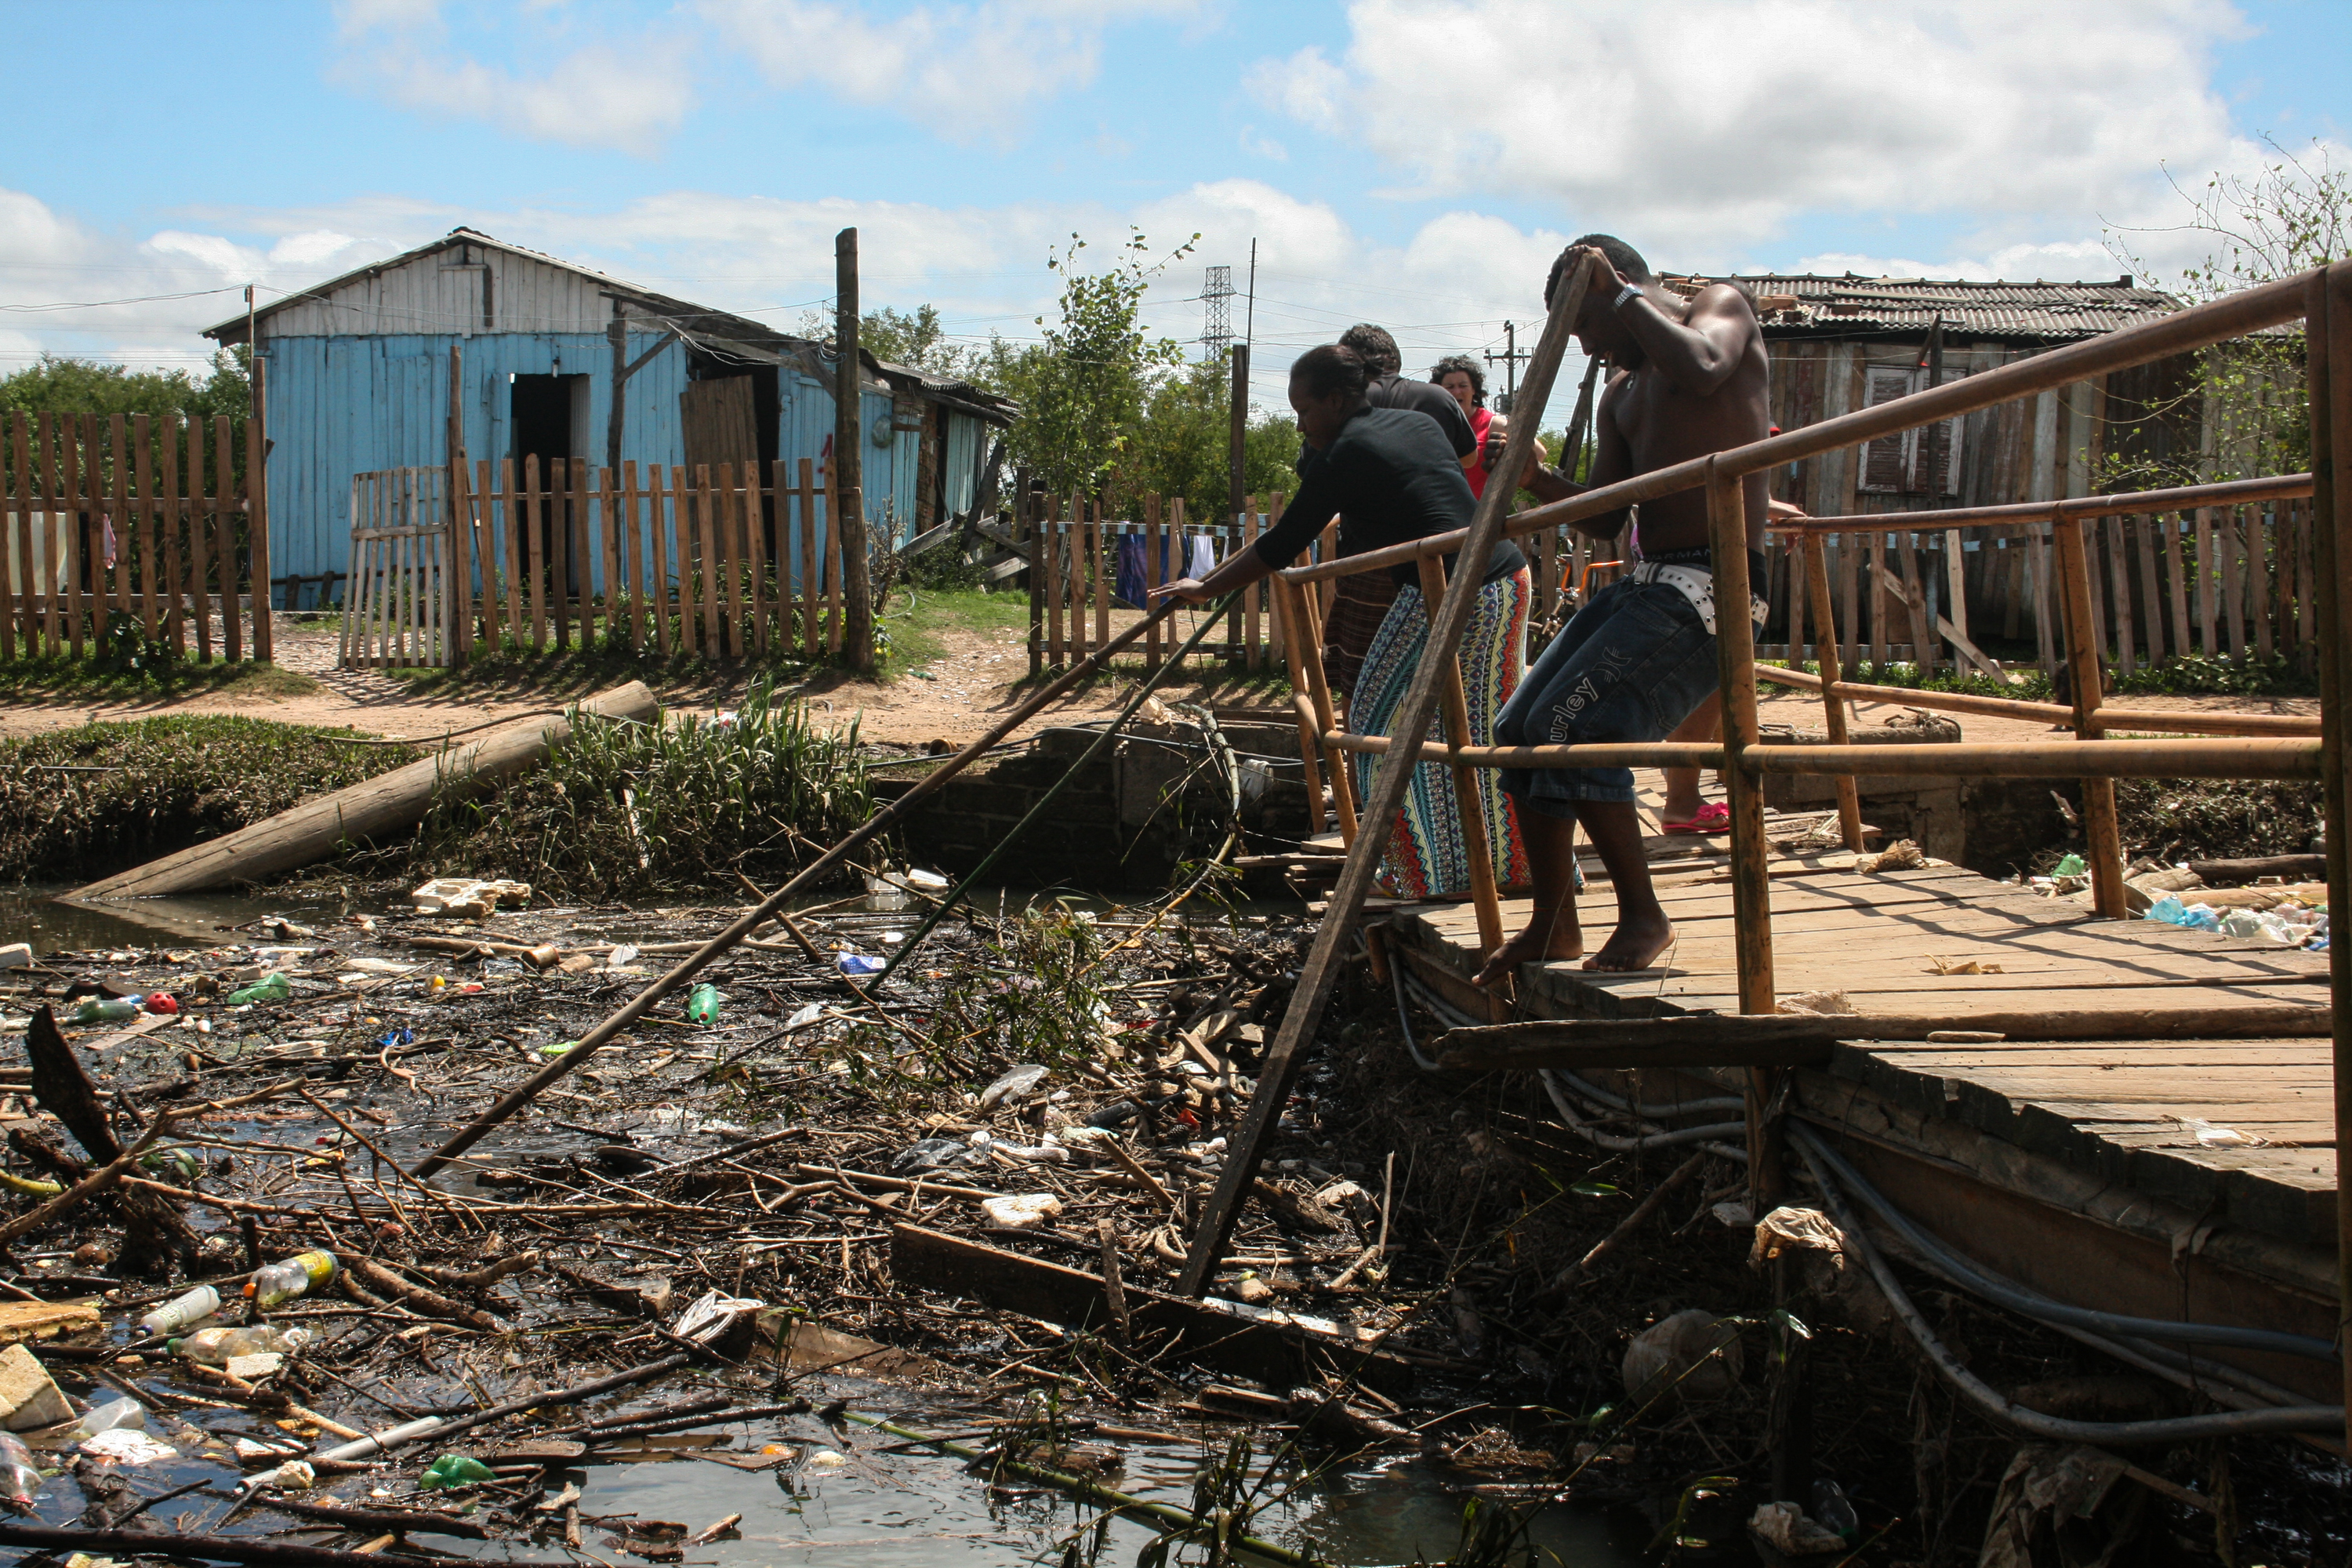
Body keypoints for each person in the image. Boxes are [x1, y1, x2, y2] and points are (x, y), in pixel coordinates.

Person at [1475, 234, 1773, 982]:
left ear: (1619, 289)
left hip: (1716, 583)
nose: (1586, 348)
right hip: (1650, 581)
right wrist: (1537, 480)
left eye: (1584, 326)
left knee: (1583, 728)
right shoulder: (1621, 391)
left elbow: (1705, 369)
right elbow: (1608, 515)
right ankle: (1554, 920)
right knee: (1519, 728)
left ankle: (1644, 916)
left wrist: (1620, 294)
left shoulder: (1719, 309)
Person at [1155, 343, 1532, 900]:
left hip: (1448, 593)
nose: (1299, 425)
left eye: (1304, 411)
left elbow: (1283, 543)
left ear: (1335, 400)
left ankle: (1408, 875)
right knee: (1479, 731)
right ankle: (1509, 868)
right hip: (1505, 581)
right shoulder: (1415, 424)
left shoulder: (1345, 452)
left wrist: (1205, 588)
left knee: (1372, 728)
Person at [1316, 325, 1482, 699]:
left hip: (1370, 556)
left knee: (1362, 677)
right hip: (1442, 555)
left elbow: (1317, 475)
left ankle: (1361, 736)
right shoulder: (1437, 398)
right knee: (1440, 673)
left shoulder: (1343, 405)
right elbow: (1469, 458)